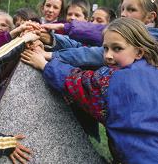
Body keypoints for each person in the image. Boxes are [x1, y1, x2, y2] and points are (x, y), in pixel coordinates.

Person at [21, 18, 158, 163]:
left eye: (117, 48)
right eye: (105, 48)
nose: (108, 56)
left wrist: (44, 64)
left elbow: (77, 82)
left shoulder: (111, 81)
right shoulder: (153, 69)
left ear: (139, 52)